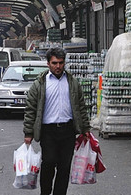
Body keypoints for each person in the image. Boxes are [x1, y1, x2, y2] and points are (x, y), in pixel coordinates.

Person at [23, 47, 91, 195]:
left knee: (64, 166)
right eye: (54, 63)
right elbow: (31, 109)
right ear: (48, 63)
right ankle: (45, 192)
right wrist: (28, 133)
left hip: (68, 130)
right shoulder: (40, 84)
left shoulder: (72, 83)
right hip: (48, 131)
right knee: (48, 162)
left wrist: (85, 129)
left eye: (60, 63)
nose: (58, 66)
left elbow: (80, 106)